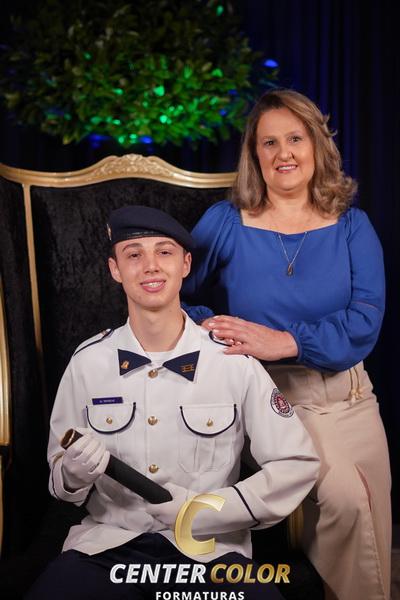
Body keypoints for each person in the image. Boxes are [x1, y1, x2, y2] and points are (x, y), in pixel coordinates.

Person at [26, 205, 319, 600]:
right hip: (107, 549)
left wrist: (205, 510)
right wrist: (73, 475)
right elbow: (61, 483)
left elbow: (296, 464)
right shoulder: (87, 362)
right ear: (115, 269)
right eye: (133, 254)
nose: (150, 265)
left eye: (164, 252)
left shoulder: (233, 362)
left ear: (185, 264)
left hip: (210, 552)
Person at [181, 89, 391, 600]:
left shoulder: (352, 225)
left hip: (349, 395)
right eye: (269, 143)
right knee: (347, 499)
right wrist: (222, 329)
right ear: (254, 154)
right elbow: (177, 297)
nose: (284, 153)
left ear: (317, 144)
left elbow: (364, 322)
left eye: (295, 138)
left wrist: (286, 340)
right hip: (270, 399)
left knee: (371, 520)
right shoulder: (226, 223)